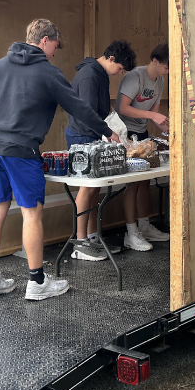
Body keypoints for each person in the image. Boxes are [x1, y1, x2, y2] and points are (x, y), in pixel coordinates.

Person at [0, 18, 120, 301]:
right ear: (46, 40)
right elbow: (78, 106)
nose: (55, 52)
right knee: (31, 213)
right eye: (56, 46)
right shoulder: (48, 73)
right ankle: (37, 281)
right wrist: (106, 131)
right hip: (22, 152)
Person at [65, 40, 137, 261]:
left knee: (95, 188)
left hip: (94, 134)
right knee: (87, 188)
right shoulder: (89, 75)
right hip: (81, 136)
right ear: (111, 59)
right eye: (120, 69)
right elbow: (87, 112)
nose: (119, 73)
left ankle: (93, 237)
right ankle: (80, 243)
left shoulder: (100, 74)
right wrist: (108, 131)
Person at [115, 43, 171, 251]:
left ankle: (145, 226)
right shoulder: (135, 77)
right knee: (133, 183)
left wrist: (165, 125)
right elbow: (123, 108)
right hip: (125, 135)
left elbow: (154, 116)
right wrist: (152, 116)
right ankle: (131, 233)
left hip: (143, 134)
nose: (168, 70)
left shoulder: (161, 81)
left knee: (146, 179)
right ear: (155, 61)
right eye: (166, 66)